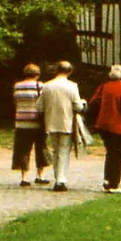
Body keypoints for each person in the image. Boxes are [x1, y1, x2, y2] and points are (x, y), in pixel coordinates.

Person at [34, 61, 83, 192]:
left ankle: (58, 178)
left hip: (51, 122)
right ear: (70, 71)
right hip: (66, 121)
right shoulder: (72, 86)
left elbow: (39, 106)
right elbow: (78, 106)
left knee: (56, 151)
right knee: (64, 151)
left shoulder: (47, 86)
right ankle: (61, 180)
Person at [89, 64, 121, 193]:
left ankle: (107, 179)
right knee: (117, 154)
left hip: (102, 124)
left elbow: (93, 102)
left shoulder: (103, 87)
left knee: (110, 152)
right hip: (117, 125)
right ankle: (114, 184)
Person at [10, 64, 50, 187]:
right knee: (41, 148)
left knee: (23, 150)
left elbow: (16, 102)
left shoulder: (17, 86)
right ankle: (40, 175)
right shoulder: (41, 86)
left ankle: (24, 177)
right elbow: (44, 103)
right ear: (37, 74)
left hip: (21, 122)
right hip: (37, 122)